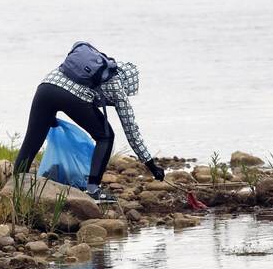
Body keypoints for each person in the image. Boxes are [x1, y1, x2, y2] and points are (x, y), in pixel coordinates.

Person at [13, 43, 164, 202]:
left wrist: (49, 116)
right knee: (105, 136)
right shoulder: (118, 86)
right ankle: (93, 190)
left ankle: (14, 186)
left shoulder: (95, 68)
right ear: (129, 84)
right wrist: (152, 166)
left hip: (45, 88)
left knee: (32, 140)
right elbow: (132, 132)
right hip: (70, 95)